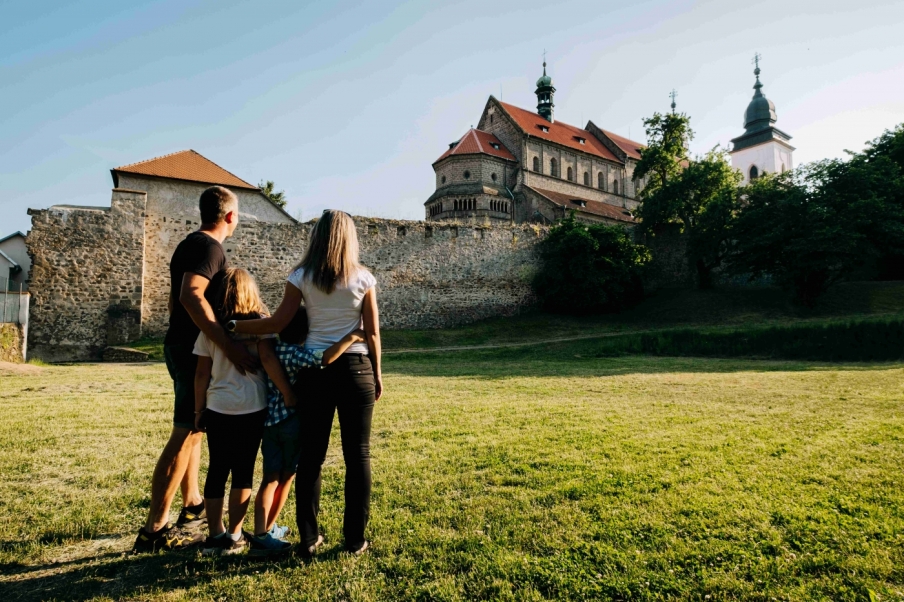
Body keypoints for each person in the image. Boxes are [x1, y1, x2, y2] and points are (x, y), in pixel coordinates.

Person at [232, 209, 382, 556]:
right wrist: (378, 373)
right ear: (350, 238)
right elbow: (372, 332)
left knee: (312, 457)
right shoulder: (364, 278)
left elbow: (280, 322)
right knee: (358, 455)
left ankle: (310, 538)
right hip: (357, 366)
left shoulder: (301, 275)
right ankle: (355, 540)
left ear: (317, 237)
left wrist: (236, 326)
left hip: (315, 370)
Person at [134, 186, 257, 553]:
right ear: (230, 216)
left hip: (183, 344)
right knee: (186, 431)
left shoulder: (190, 243)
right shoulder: (209, 247)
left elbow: (177, 299)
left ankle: (193, 504)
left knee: (198, 426)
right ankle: (154, 530)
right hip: (191, 350)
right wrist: (227, 344)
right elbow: (190, 294)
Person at [249, 308, 366, 557]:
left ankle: (262, 533)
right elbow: (324, 358)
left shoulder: (273, 350)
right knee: (288, 476)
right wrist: (352, 337)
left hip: (269, 423)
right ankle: (269, 530)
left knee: (269, 478)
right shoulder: (295, 354)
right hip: (290, 423)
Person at [194, 267, 273, 556]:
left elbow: (202, 374)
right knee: (244, 471)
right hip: (253, 406)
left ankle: (215, 534)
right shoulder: (262, 326)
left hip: (218, 407)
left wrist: (198, 410)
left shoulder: (211, 330)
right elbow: (270, 360)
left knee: (217, 469)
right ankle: (236, 533)